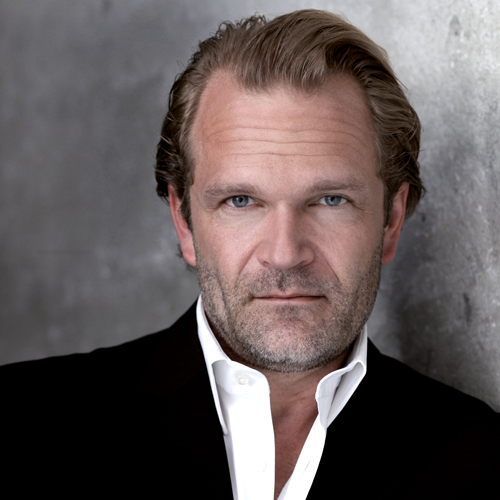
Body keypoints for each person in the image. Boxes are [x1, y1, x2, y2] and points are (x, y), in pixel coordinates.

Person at [1, 9, 498, 499]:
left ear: (391, 220)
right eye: (240, 201)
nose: (284, 254)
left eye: (330, 200)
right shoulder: (24, 426)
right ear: (184, 221)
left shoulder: (482, 460)